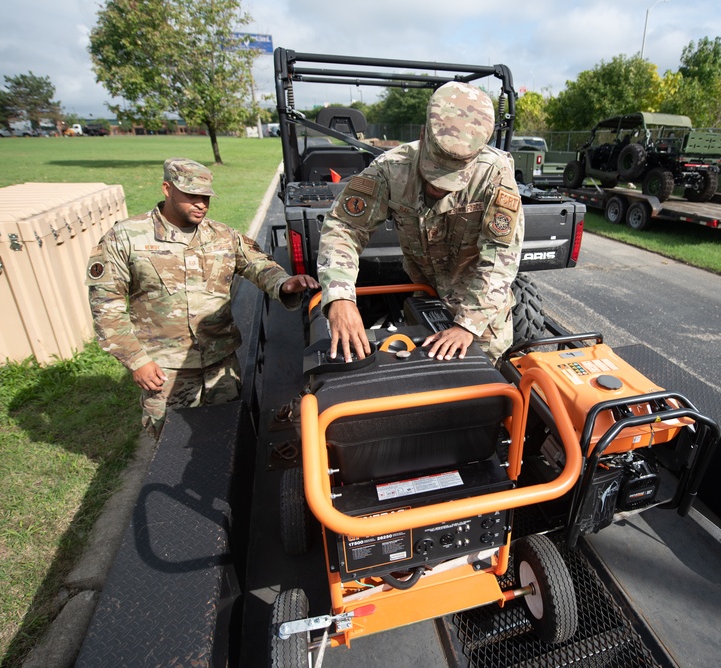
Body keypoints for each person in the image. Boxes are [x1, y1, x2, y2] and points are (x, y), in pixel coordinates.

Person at [86, 158, 319, 437]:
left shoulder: (222, 235)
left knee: (227, 435)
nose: (201, 204)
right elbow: (106, 305)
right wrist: (137, 361)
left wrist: (284, 283)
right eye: (192, 195)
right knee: (171, 444)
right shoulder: (126, 237)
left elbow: (257, 264)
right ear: (167, 189)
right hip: (165, 370)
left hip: (220, 363)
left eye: (206, 197)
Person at [317, 81, 524, 363]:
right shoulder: (391, 169)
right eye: (433, 171)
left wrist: (467, 325)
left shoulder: (494, 176)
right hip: (426, 298)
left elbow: (500, 258)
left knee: (483, 387)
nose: (439, 187)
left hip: (480, 313)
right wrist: (340, 296)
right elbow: (344, 227)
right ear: (423, 134)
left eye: (452, 179)